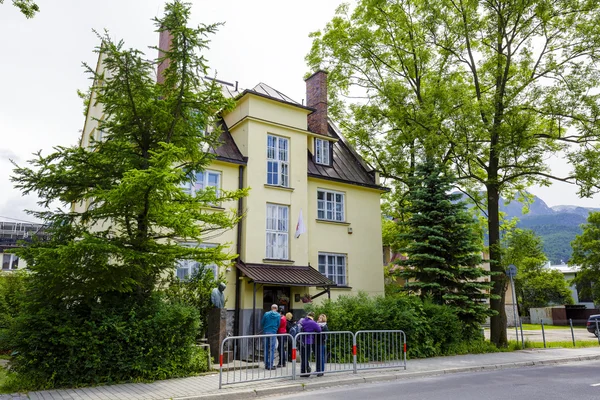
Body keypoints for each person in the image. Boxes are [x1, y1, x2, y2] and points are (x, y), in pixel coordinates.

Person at [299, 312, 321, 377]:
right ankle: (307, 369)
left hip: (302, 341)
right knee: (307, 356)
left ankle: (303, 372)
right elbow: (319, 330)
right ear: (313, 316)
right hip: (309, 341)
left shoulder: (302, 321)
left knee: (303, 356)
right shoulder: (313, 322)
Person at [261, 304, 281, 370]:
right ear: (276, 309)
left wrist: (265, 327)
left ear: (271, 308)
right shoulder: (278, 315)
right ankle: (270, 365)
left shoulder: (266, 314)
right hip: (273, 332)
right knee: (272, 349)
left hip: (266, 332)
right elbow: (278, 324)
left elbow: (262, 322)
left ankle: (266, 364)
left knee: (266, 348)